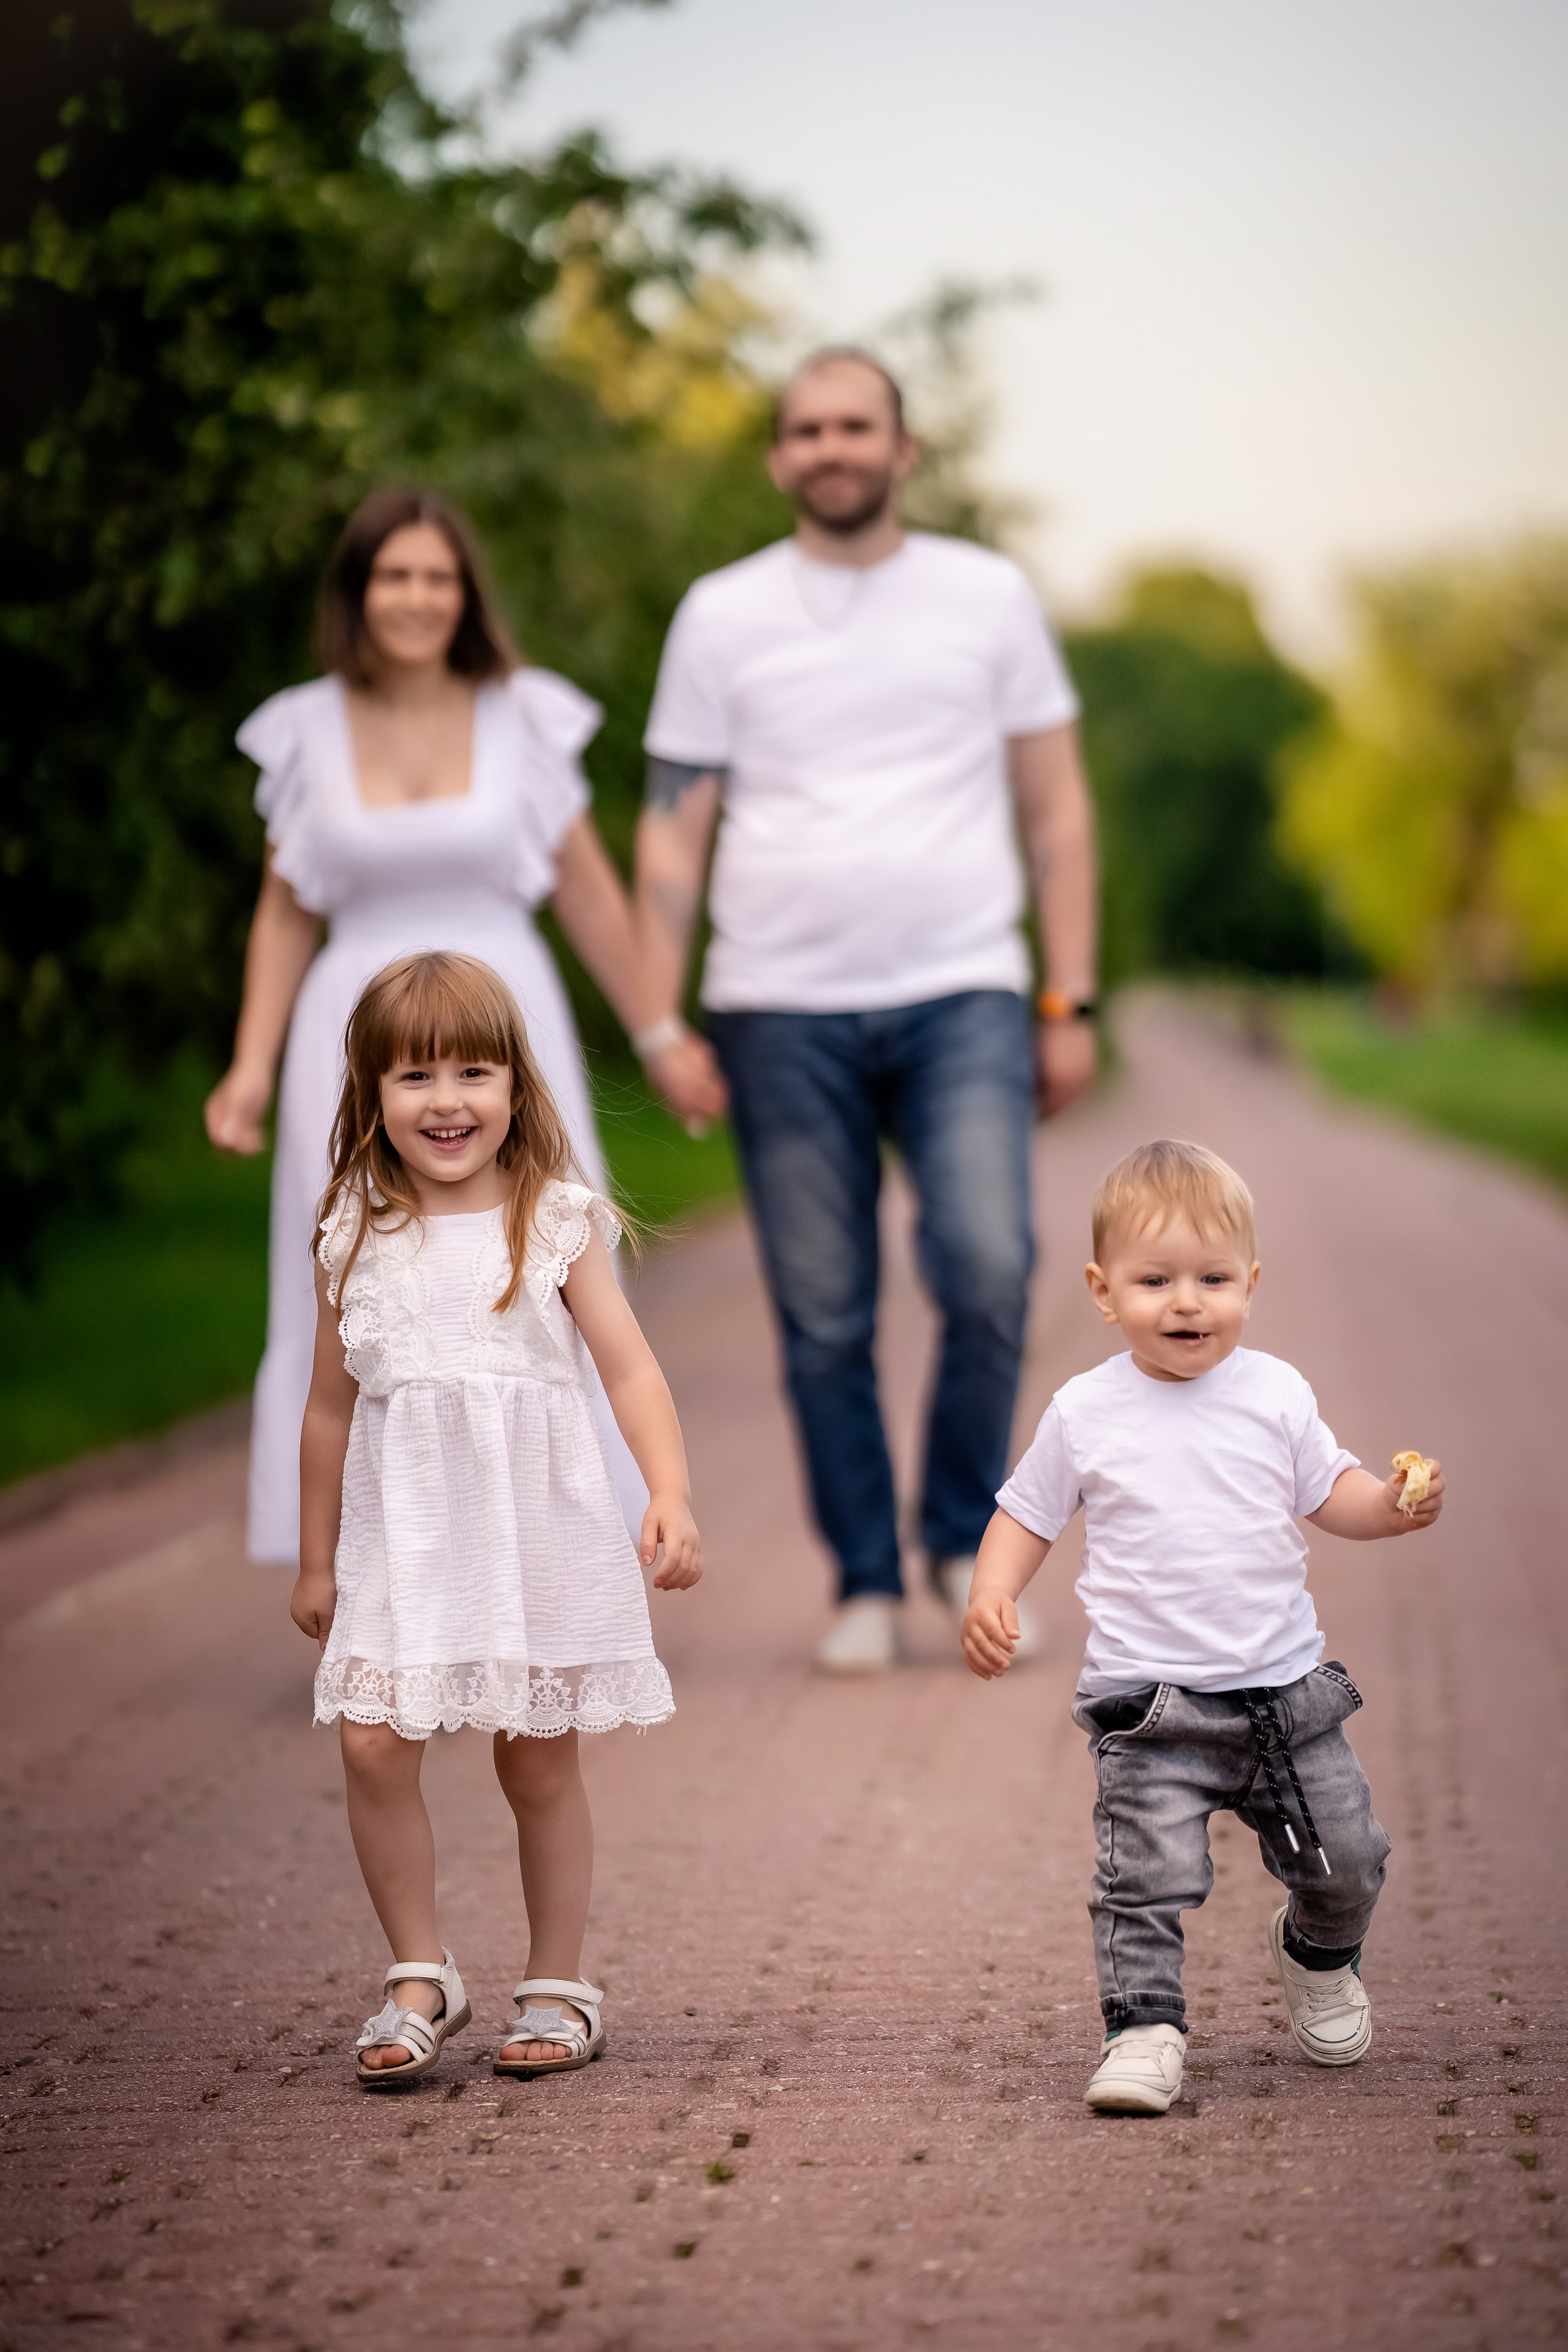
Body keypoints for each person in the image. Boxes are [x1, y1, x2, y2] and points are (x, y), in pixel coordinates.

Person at [635, 348, 1098, 1674]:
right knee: (821, 1307)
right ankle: (859, 1578)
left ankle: (958, 1535)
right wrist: (660, 1018)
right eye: (804, 429)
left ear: (902, 451)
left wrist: (1066, 996)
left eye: (855, 426)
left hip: (963, 986)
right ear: (779, 458)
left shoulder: (986, 596)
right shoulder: (719, 615)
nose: (829, 446)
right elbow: (671, 830)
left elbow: (1056, 807)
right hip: (777, 1003)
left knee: (988, 1263)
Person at [206, 486, 723, 1565]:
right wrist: (250, 1065)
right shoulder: (304, 727)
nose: (418, 597)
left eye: (438, 576)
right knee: (356, 1268)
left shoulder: (524, 712)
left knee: (539, 1256)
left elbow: (585, 890)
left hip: (506, 1018)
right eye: (394, 575)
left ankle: (564, 1533)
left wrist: (660, 1029)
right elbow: (285, 905)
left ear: (466, 593)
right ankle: (357, 1555)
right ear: (357, 593)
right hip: (352, 1036)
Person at [960, 1139, 1446, 2116]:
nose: (1187, 1302)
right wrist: (991, 1591)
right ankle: (1144, 2029)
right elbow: (1027, 1512)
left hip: (1286, 1697)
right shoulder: (1086, 1409)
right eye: (1155, 1281)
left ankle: (1319, 1954)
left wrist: (1390, 1506)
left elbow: (1332, 1494)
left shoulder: (1275, 1394)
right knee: (1145, 1881)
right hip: (1152, 1708)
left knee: (1349, 1858)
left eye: (1213, 1279)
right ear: (1103, 1292)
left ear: (1251, 1284)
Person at [292, 951, 702, 2084]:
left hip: (535, 1538)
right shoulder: (352, 1229)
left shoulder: (553, 1219)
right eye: (416, 1076)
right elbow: (328, 1411)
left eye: (475, 1071)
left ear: (518, 1087)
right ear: (371, 1095)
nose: (448, 1101)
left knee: (536, 1763)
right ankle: (419, 1974)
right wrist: (316, 1557)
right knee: (372, 1742)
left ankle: (559, 1983)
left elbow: (630, 1372)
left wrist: (666, 1488)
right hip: (404, 1539)